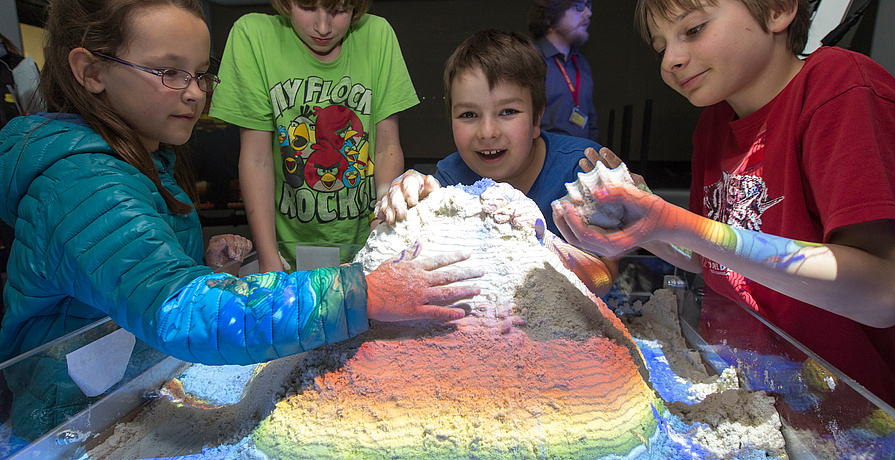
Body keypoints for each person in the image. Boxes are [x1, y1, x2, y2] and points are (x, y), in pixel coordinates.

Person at [0, 0, 480, 439]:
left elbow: (123, 277)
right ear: (90, 71)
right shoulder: (83, 184)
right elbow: (182, 312)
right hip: (64, 420)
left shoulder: (141, 157)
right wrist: (362, 293)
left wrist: (196, 260)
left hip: (122, 395)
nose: (193, 94)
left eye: (200, 75)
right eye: (169, 72)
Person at [553, 0, 895, 407]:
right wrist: (647, 224)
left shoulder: (840, 89)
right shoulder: (714, 125)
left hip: (841, 409)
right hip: (743, 391)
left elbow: (884, 293)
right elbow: (708, 257)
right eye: (661, 47)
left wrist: (675, 222)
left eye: (692, 30)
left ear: (778, 10)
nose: (671, 60)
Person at [377, 29, 614, 297]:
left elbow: (604, 278)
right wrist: (401, 211)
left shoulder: (581, 171)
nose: (487, 131)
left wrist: (542, 242)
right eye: (469, 114)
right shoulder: (451, 179)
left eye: (507, 112)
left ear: (537, 118)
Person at [209, 0, 419, 273]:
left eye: (339, 10)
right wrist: (269, 260)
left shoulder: (377, 34)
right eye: (307, 7)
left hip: (363, 246)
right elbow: (256, 159)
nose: (323, 27)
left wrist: (382, 224)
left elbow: (386, 146)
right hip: (284, 249)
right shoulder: (253, 36)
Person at [527, 0, 598, 142]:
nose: (588, 13)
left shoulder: (582, 64)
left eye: (588, 6)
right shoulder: (529, 60)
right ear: (549, 18)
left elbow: (591, 121)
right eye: (578, 6)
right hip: (544, 160)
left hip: (581, 157)